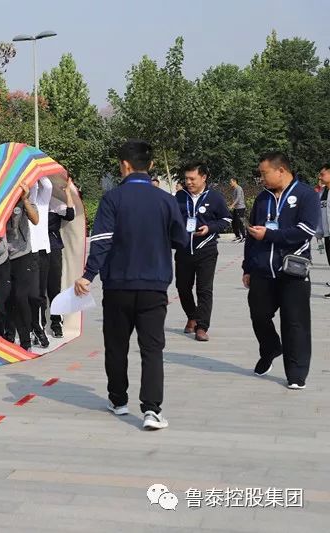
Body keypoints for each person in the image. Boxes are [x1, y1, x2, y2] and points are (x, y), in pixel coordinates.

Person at [74, 140, 187, 431]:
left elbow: (101, 241)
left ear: (124, 165)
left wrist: (88, 275)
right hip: (154, 285)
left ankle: (118, 400)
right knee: (152, 349)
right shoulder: (166, 200)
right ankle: (151, 410)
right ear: (151, 165)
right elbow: (180, 240)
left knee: (116, 345)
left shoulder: (112, 199)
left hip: (118, 285)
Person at [243, 152, 319, 390]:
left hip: (292, 271)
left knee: (295, 323)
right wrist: (247, 267)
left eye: (264, 173)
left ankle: (296, 373)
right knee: (259, 315)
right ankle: (270, 348)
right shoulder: (262, 198)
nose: (261, 178)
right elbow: (252, 235)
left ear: (281, 171)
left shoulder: (306, 195)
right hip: (262, 270)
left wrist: (270, 235)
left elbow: (305, 230)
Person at [174, 163, 232, 342]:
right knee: (182, 287)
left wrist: (210, 228)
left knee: (204, 289)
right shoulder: (180, 197)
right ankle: (192, 316)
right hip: (184, 249)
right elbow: (171, 219)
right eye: (186, 179)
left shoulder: (215, 197)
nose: (188, 182)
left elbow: (226, 219)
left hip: (206, 250)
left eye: (192, 179)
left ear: (203, 177)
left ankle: (202, 327)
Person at [3, 182, 40, 350]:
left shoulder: (24, 199)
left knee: (20, 297)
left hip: (22, 254)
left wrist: (25, 200)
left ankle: (26, 340)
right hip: (2, 257)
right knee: (6, 298)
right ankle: (9, 336)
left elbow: (35, 219)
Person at [46, 172, 76, 338]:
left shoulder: (54, 203)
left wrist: (68, 193)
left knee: (53, 287)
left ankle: (56, 322)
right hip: (33, 249)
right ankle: (36, 325)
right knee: (35, 291)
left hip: (53, 247)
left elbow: (70, 214)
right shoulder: (29, 201)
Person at [27, 178, 53, 348]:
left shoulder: (43, 201)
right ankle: (32, 328)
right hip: (31, 251)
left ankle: (40, 326)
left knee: (41, 293)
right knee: (33, 294)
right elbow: (34, 187)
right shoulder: (28, 202)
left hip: (44, 249)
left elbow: (47, 185)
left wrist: (39, 170)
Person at [230, 177, 246, 242]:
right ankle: (238, 236)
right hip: (236, 208)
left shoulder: (238, 188)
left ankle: (244, 237)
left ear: (235, 181)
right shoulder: (234, 189)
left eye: (231, 182)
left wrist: (232, 205)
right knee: (234, 222)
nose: (230, 183)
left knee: (240, 222)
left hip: (240, 208)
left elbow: (238, 198)